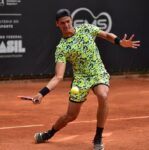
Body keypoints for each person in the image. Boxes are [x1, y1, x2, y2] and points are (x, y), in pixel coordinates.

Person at [32, 9, 140, 150]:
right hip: (80, 79)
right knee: (70, 116)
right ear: (57, 24)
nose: (66, 25)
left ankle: (98, 137)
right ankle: (49, 133)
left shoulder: (86, 28)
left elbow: (106, 35)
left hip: (98, 72)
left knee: (102, 94)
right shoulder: (61, 48)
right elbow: (58, 76)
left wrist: (120, 42)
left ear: (71, 20)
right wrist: (41, 93)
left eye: (68, 21)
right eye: (62, 23)